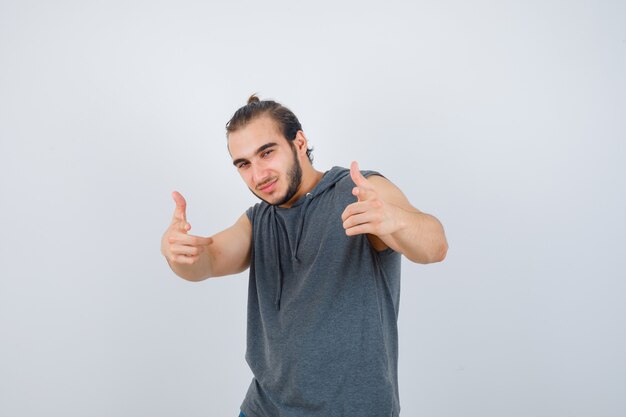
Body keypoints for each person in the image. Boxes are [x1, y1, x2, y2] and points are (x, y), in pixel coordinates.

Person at [161, 95, 448, 417]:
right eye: (244, 164)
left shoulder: (358, 191)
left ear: (299, 142)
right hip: (263, 409)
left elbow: (434, 247)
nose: (258, 174)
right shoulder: (258, 220)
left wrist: (397, 221)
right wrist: (176, 253)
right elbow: (207, 261)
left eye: (266, 152)